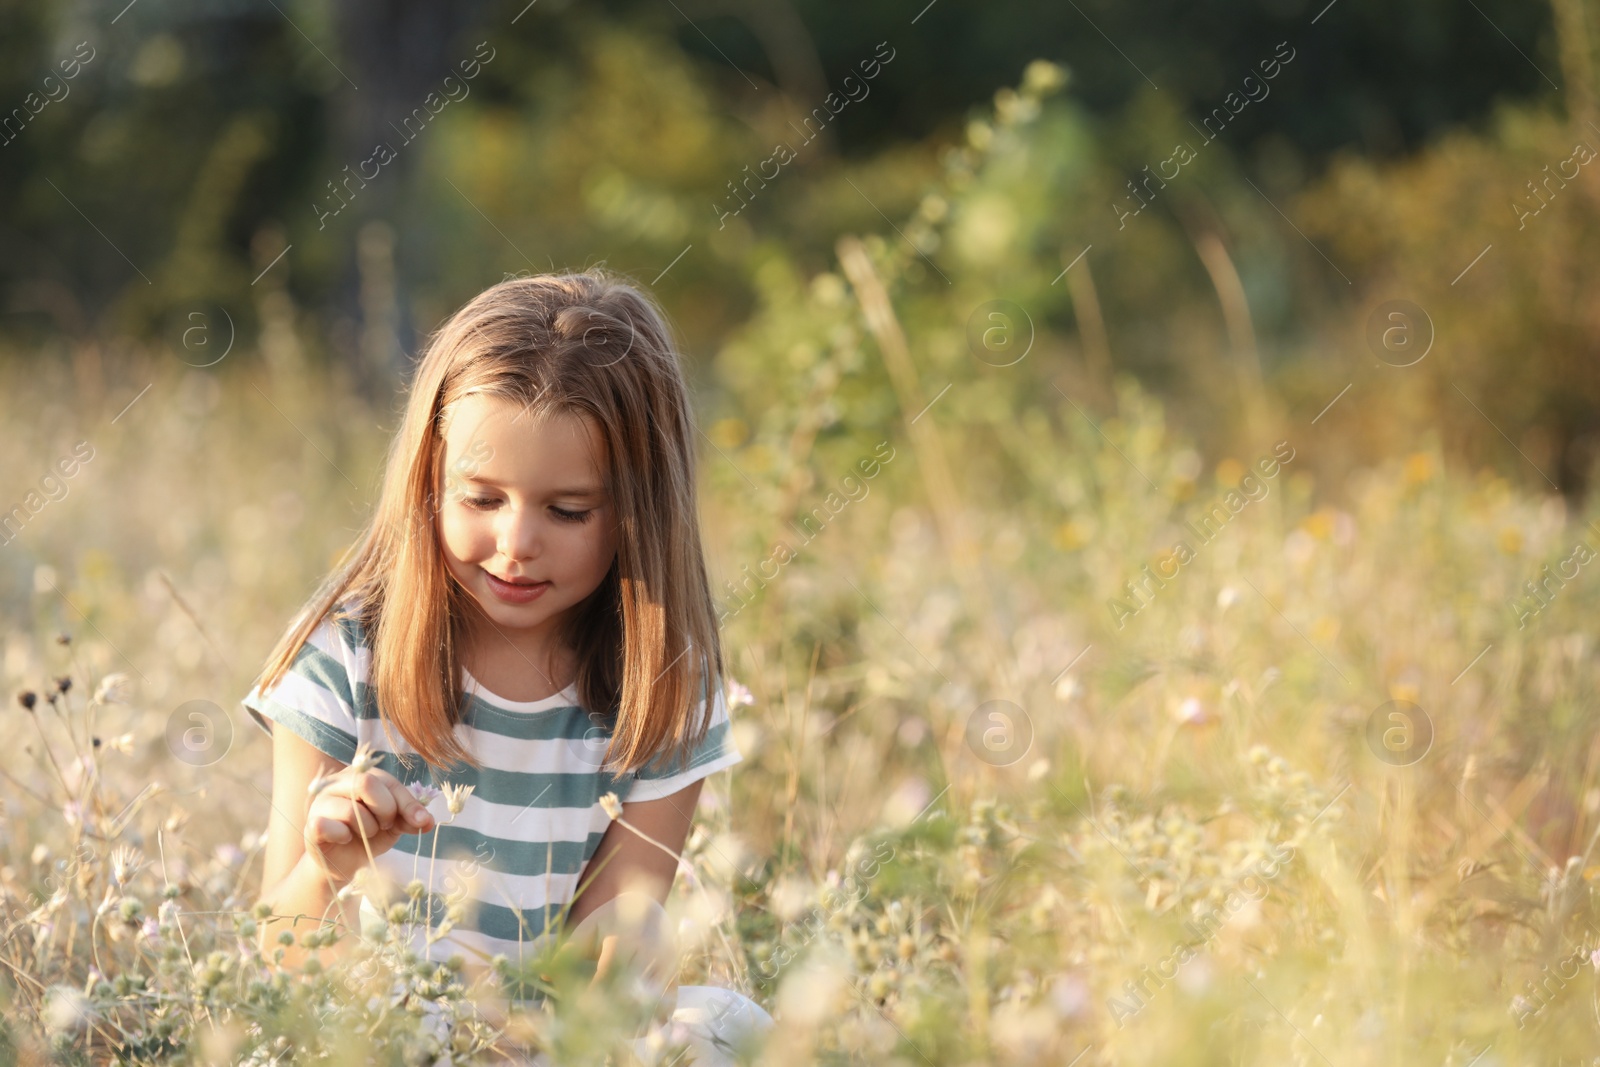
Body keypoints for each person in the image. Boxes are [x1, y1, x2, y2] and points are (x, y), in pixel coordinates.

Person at [244, 270, 772, 1064]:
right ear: (428, 481)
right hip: (381, 1033)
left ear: (640, 509)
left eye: (567, 510)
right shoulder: (346, 650)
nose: (516, 542)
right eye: (481, 498)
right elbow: (276, 960)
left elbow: (601, 959)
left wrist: (634, 942)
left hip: (544, 1044)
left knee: (733, 1023)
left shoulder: (665, 686)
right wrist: (327, 871)